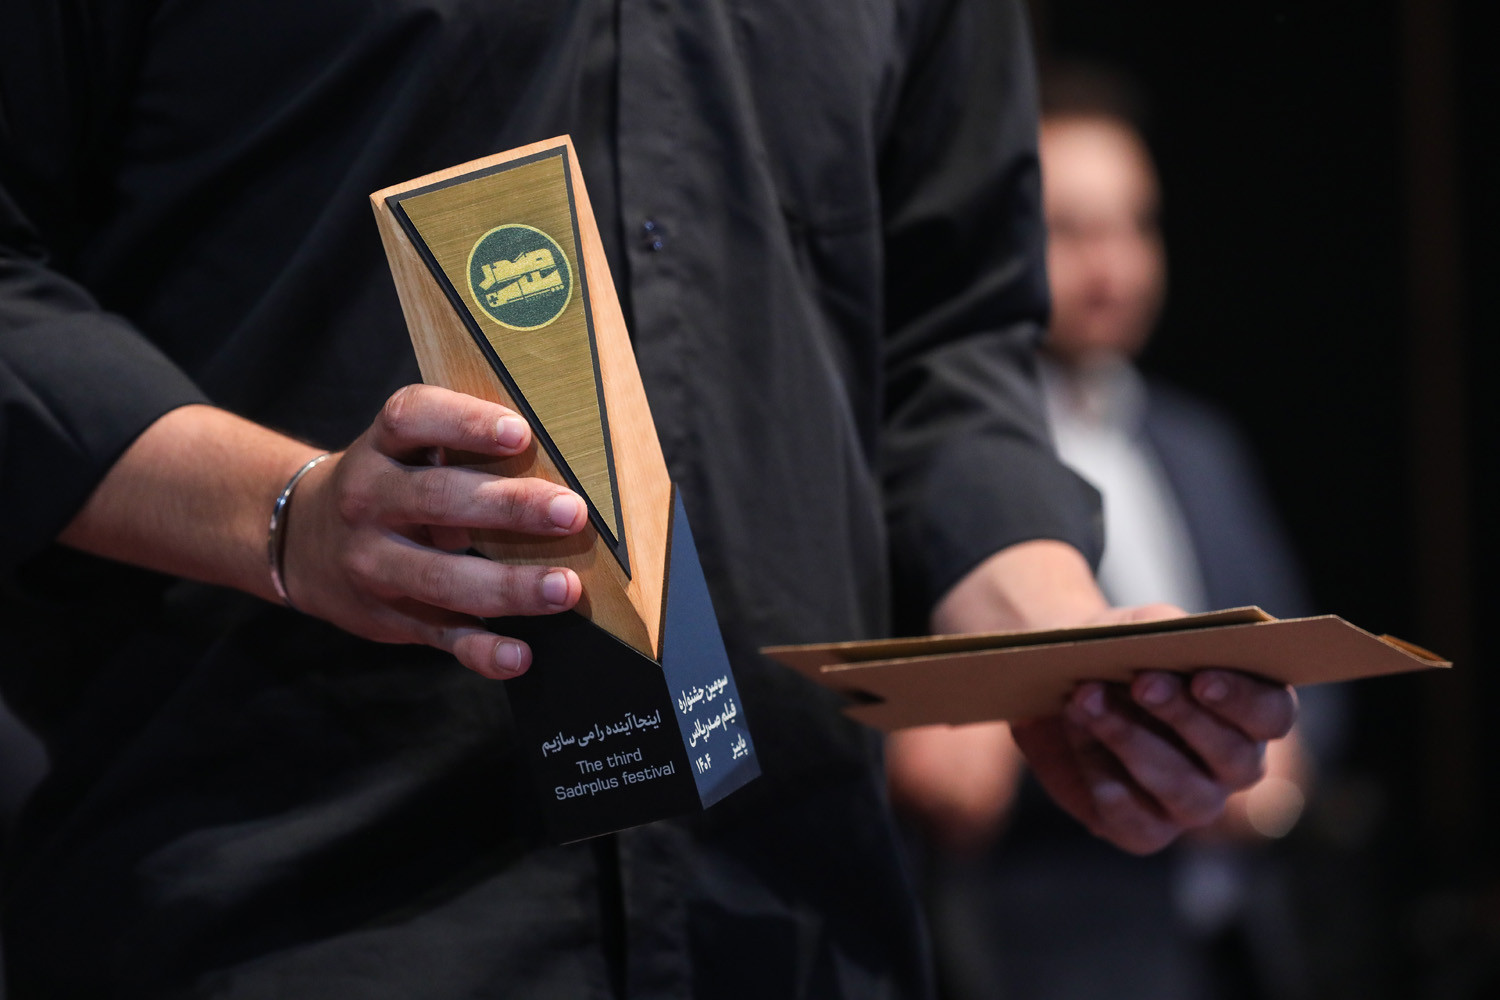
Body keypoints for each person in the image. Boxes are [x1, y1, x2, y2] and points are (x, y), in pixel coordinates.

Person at [0, 4, 1295, 997]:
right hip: (296, 890)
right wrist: (284, 517)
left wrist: (1055, 633)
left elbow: (947, 330)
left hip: (795, 907)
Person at [894, 64, 1330, 1000]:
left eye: (1136, 225)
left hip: (1230, 949)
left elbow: (1300, 662)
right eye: (1073, 230)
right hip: (1039, 951)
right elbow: (941, 760)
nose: (1115, 266)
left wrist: (1270, 773)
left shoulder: (1198, 442)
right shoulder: (935, 467)